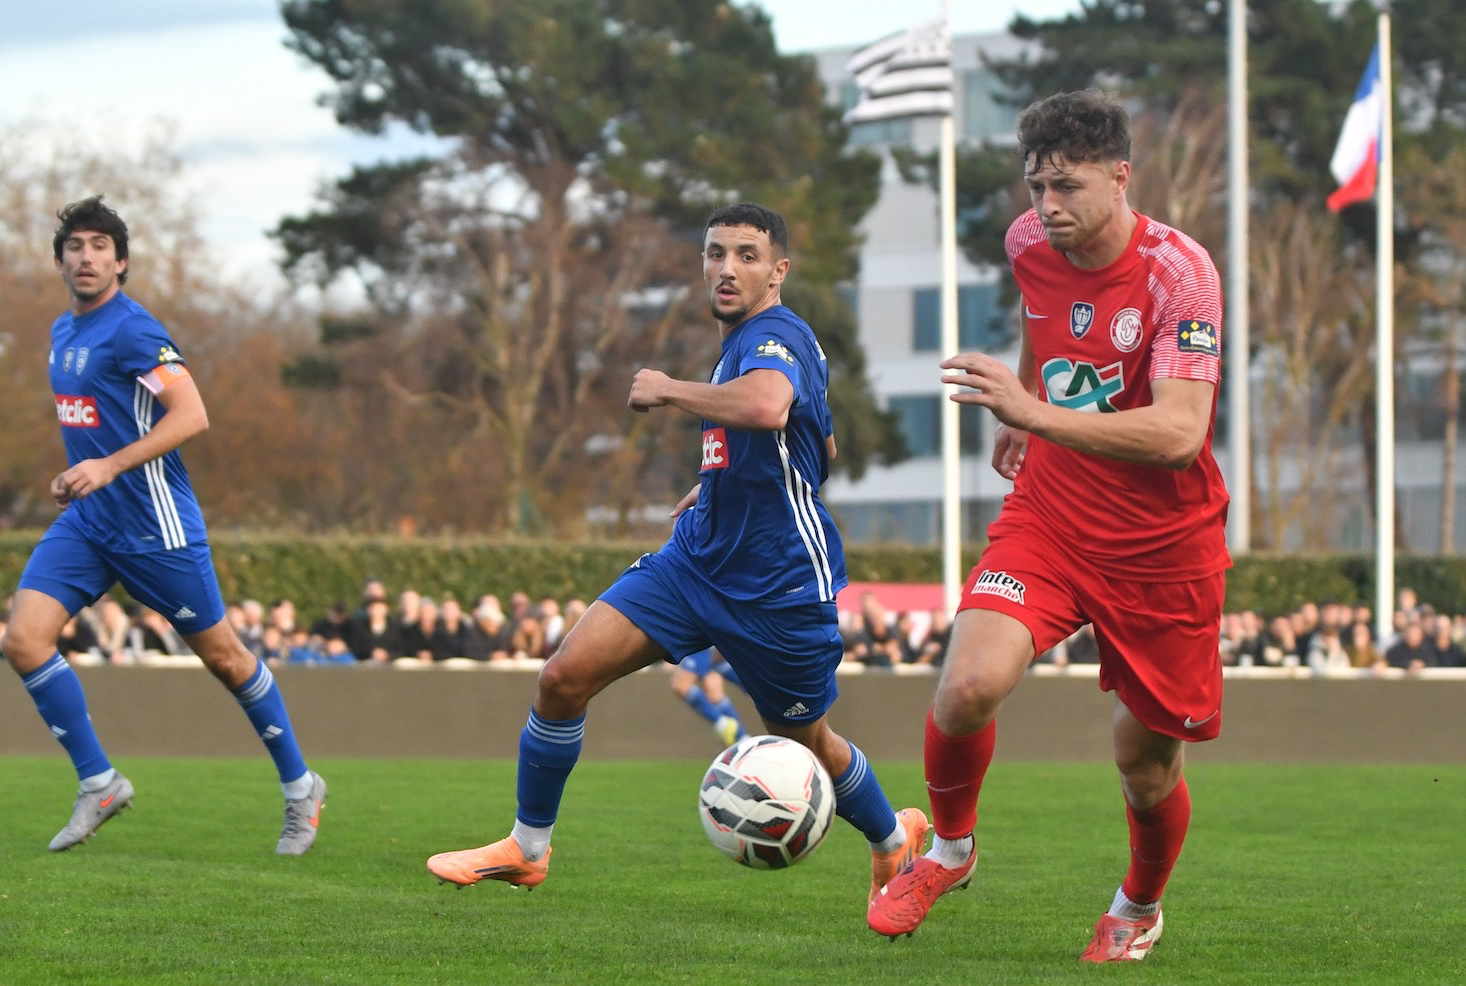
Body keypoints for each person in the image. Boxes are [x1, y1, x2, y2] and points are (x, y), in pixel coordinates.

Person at [426, 203, 925, 912]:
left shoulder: (777, 333)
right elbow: (816, 442)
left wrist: (667, 392)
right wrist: (720, 481)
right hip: (693, 565)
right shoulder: (745, 341)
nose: (727, 267)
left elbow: (767, 407)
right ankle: (527, 849)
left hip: (776, 588)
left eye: (748, 255)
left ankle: (887, 838)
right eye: (716, 253)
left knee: (807, 741)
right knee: (563, 677)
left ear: (779, 271)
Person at [867, 91, 1231, 964]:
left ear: (1120, 175)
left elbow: (1181, 435)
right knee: (965, 688)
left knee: (1144, 768)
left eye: (1065, 186)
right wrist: (1025, 414)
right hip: (1055, 515)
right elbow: (1046, 327)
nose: (1046, 208)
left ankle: (1138, 905)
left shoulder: (1183, 275)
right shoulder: (1031, 244)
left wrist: (1033, 409)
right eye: (1034, 187)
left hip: (1162, 547)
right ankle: (950, 853)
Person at [0, 196, 325, 855]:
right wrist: (79, 474)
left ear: (121, 261)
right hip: (89, 525)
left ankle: (301, 788)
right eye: (75, 246)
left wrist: (110, 466)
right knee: (22, 641)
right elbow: (94, 427)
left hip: (156, 527)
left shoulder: (135, 331)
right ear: (60, 260)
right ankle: (100, 783)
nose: (86, 257)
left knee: (226, 659)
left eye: (99, 246)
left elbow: (192, 415)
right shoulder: (64, 333)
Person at [669, 646, 748, 748]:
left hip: (702, 644)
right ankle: (742, 738)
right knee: (714, 694)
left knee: (681, 685)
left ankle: (722, 723)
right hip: (710, 644)